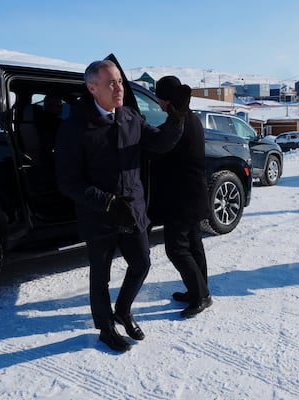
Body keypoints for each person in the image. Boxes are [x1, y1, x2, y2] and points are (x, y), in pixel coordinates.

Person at [55, 60, 187, 352]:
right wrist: (107, 203)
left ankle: (123, 310)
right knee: (100, 275)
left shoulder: (129, 117)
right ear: (92, 88)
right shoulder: (75, 128)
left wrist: (176, 121)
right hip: (99, 214)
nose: (119, 88)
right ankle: (105, 328)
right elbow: (68, 182)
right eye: (111, 83)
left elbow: (160, 143)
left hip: (133, 210)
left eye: (119, 81)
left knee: (141, 263)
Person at [148, 76, 212, 318]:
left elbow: (158, 145)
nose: (157, 102)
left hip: (181, 198)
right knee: (194, 244)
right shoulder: (190, 117)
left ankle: (201, 295)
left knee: (176, 249)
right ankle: (198, 290)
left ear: (165, 100)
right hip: (192, 194)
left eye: (158, 97)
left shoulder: (178, 122)